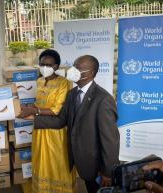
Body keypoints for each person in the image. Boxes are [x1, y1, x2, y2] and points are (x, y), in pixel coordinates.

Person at [29, 55, 120, 193]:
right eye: (74, 66)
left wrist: (108, 172)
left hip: (97, 165)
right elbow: (61, 120)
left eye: (78, 68)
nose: (73, 70)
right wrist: (33, 118)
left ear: (90, 73)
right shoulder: (72, 94)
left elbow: (110, 141)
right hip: (81, 161)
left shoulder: (103, 100)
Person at [19, 49, 76, 193]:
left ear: (56, 66)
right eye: (42, 64)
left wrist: (34, 111)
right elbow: (39, 104)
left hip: (55, 131)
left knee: (58, 161)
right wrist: (27, 108)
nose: (44, 67)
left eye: (48, 65)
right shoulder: (39, 81)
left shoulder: (64, 83)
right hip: (40, 129)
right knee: (41, 159)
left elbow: (57, 110)